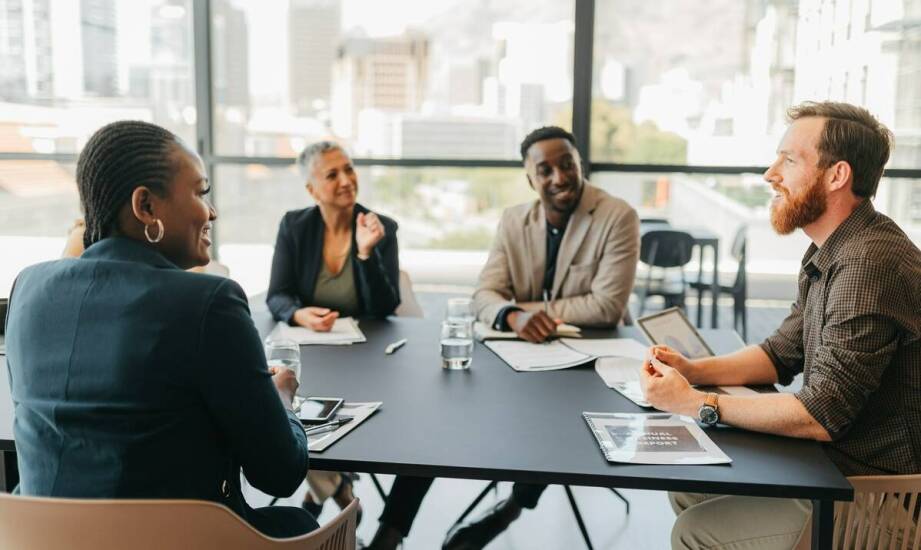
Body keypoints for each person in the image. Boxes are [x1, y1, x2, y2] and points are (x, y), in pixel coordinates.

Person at [4, 120, 318, 537]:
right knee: (303, 522)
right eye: (200, 192)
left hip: (45, 540)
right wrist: (281, 398)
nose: (212, 212)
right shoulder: (210, 302)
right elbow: (279, 474)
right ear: (145, 206)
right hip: (179, 541)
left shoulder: (28, 287)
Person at [640, 101, 921, 550]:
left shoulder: (869, 264)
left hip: (880, 498)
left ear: (836, 176)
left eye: (789, 160)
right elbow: (780, 353)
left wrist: (697, 403)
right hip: (830, 467)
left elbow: (821, 414)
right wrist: (693, 371)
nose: (772, 174)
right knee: (690, 485)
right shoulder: (832, 250)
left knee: (696, 532)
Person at [366, 126, 640, 550]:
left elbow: (606, 307)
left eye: (566, 164)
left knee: (553, 427)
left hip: (590, 363)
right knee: (439, 416)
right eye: (544, 170)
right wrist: (509, 313)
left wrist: (523, 310)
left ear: (579, 162)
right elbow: (484, 295)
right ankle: (391, 531)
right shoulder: (515, 219)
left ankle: (512, 506)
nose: (559, 177)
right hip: (521, 356)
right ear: (530, 178)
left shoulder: (616, 216)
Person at [267, 140, 400, 521]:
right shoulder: (295, 225)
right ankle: (341, 490)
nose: (346, 180)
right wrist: (298, 314)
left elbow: (384, 308)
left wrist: (365, 254)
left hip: (370, 360)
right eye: (332, 174)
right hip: (314, 355)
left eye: (349, 169)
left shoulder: (381, 227)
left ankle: (323, 492)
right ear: (312, 189)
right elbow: (276, 294)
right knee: (291, 416)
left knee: (312, 428)